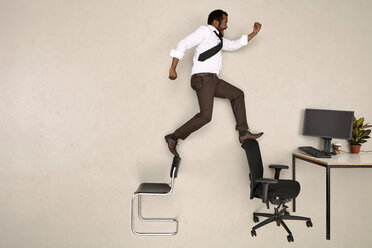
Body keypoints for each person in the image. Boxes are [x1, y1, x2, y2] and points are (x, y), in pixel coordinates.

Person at [165, 9, 263, 157]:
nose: (227, 26)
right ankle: (173, 138)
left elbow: (235, 44)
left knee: (237, 94)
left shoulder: (219, 40)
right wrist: (173, 68)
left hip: (212, 80)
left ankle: (243, 133)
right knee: (206, 116)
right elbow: (184, 43)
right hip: (202, 78)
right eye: (225, 23)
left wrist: (253, 34)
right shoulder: (204, 31)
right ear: (215, 22)